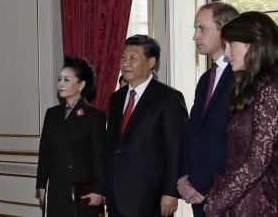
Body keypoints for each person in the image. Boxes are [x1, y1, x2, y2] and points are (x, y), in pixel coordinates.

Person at [106, 34, 189, 217]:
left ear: (151, 62)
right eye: (123, 57)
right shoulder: (116, 98)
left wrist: (170, 192)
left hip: (150, 197)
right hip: (116, 196)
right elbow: (112, 146)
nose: (126, 63)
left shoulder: (168, 98)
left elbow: (176, 149)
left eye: (133, 58)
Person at [205, 11, 278, 216]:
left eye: (231, 44)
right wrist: (218, 193)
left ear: (253, 45)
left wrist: (218, 202)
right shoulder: (254, 88)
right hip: (243, 201)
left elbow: (258, 161)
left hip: (260, 204)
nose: (226, 53)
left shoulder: (271, 90)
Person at [177, 1, 239, 217]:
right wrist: (184, 177)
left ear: (225, 31)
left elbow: (235, 141)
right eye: (195, 29)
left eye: (202, 29)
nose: (195, 36)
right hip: (196, 194)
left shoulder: (242, 78)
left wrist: (204, 185)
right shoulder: (205, 79)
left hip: (225, 194)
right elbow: (193, 132)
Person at [36, 56, 106, 217]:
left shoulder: (95, 116)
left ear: (81, 85)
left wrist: (99, 191)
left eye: (66, 80)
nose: (60, 84)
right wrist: (41, 185)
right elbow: (44, 152)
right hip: (54, 185)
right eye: (59, 79)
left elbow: (100, 156)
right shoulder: (51, 114)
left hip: (82, 189)